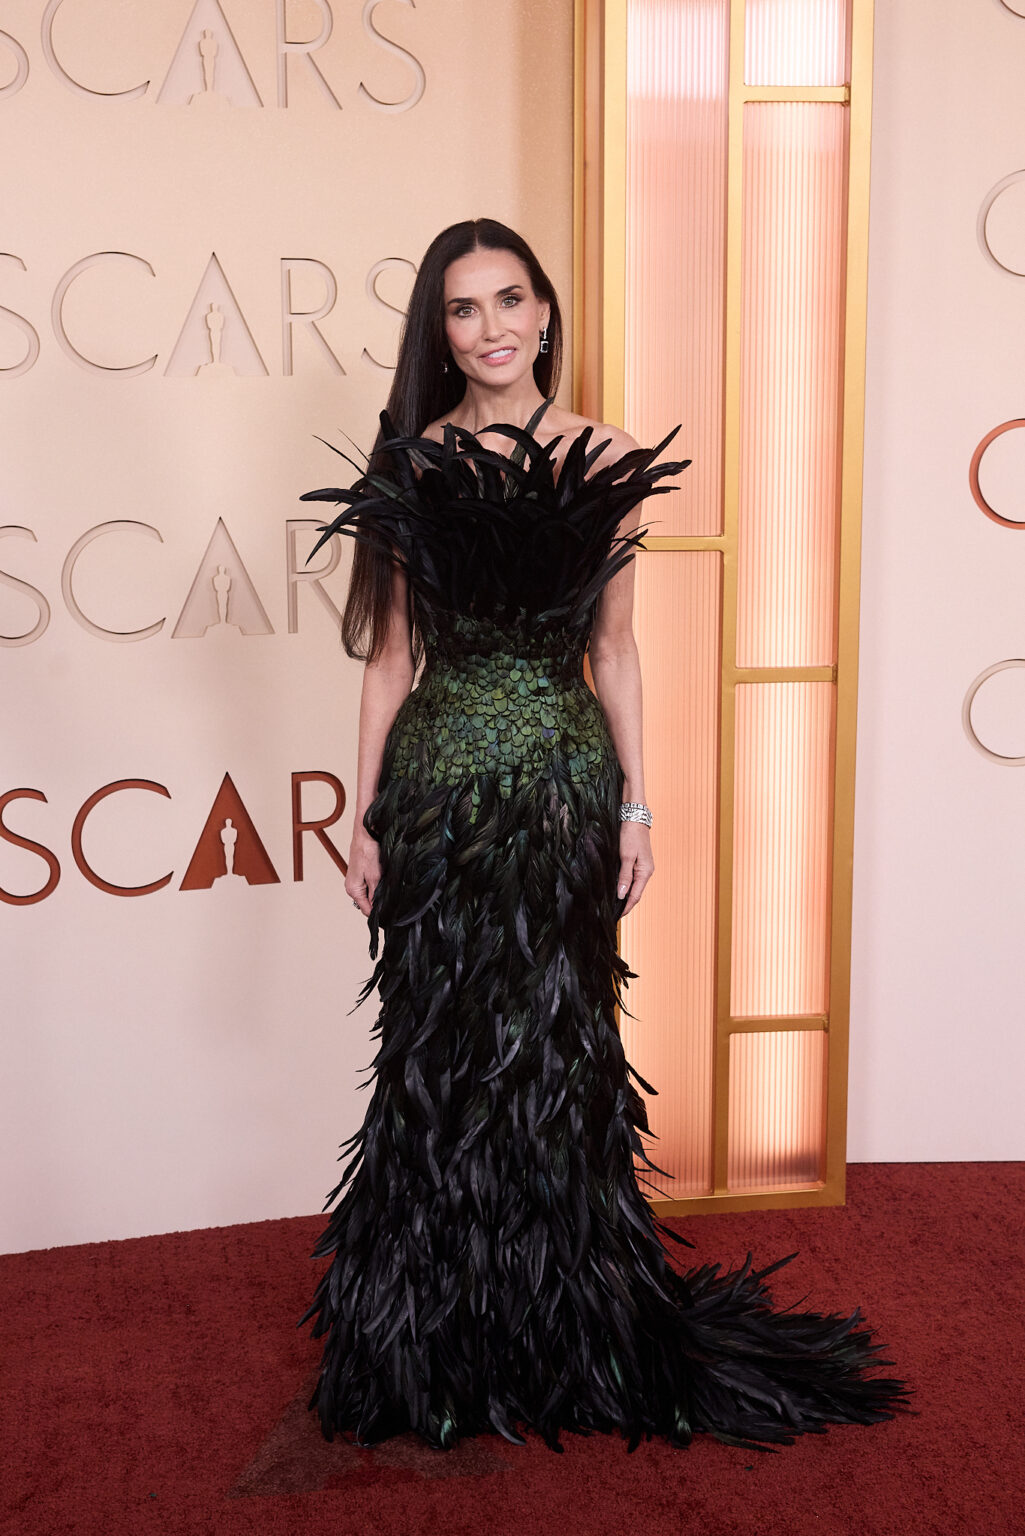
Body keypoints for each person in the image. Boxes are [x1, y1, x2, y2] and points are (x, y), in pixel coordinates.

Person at [298, 217, 910, 1453]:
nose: (490, 330)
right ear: (439, 332)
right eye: (462, 311)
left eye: (509, 300)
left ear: (544, 311)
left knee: (557, 1057)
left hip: (562, 795)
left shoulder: (607, 458)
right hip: (439, 799)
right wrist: (362, 819)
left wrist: (636, 804)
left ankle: (562, 1325)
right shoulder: (412, 464)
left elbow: (615, 649)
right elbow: (390, 662)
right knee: (436, 1060)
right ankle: (434, 1334)